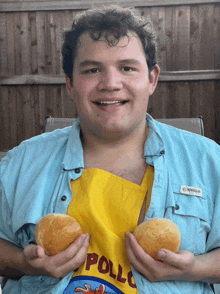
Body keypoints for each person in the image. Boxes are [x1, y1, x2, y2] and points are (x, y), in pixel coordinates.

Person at [0, 5, 220, 294]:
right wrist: (24, 263)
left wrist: (194, 269)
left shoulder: (207, 160)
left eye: (127, 68)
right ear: (70, 83)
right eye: (92, 70)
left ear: (151, 79)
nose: (111, 84)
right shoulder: (21, 162)